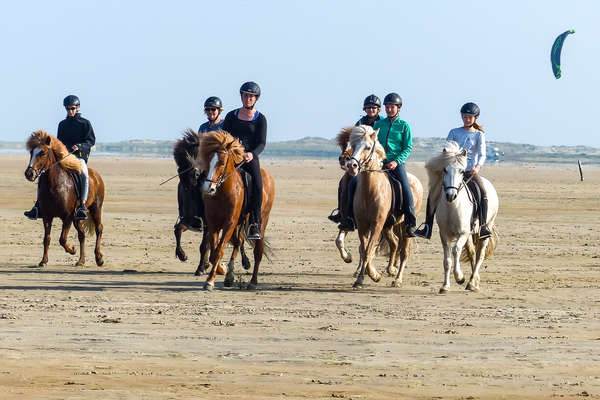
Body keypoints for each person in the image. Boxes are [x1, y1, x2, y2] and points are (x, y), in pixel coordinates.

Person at [339, 93, 417, 237]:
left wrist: (396, 161)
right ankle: (348, 217)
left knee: (406, 187)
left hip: (396, 163)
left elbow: (408, 147)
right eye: (387, 107)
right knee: (352, 184)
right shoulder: (378, 125)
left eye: (392, 107)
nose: (389, 109)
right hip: (379, 163)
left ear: (398, 108)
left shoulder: (404, 126)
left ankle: (410, 223)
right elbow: (368, 142)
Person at [414, 102, 492, 240]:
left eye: (469, 117)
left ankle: (483, 226)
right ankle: (427, 226)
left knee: (483, 193)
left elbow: (482, 154)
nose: (466, 119)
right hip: (451, 171)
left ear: (475, 118)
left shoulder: (479, 135)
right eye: (464, 117)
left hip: (469, 172)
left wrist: (477, 167)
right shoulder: (454, 132)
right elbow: (447, 150)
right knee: (434, 193)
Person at [24, 95, 95, 220]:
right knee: (45, 173)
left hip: (79, 157)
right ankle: (37, 206)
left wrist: (79, 146)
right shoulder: (62, 124)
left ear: (77, 107)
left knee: (84, 173)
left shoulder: (85, 123)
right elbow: (59, 142)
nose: (70, 111)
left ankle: (82, 205)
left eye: (72, 108)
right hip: (64, 157)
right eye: (67, 109)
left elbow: (91, 141)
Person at [221, 81, 267, 240]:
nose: (248, 98)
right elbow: (224, 136)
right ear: (241, 96)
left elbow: (262, 142)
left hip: (249, 158)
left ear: (256, 99)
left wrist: (252, 154)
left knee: (258, 182)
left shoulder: (260, 119)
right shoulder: (231, 116)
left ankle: (254, 222)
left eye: (251, 96)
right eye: (246, 95)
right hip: (232, 156)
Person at [328, 95, 383, 224]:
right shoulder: (359, 124)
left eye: (373, 107)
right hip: (361, 162)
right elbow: (352, 143)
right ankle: (343, 214)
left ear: (379, 109)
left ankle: (399, 213)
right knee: (344, 182)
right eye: (368, 107)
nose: (371, 110)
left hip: (378, 161)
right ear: (365, 109)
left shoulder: (383, 123)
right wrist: (346, 155)